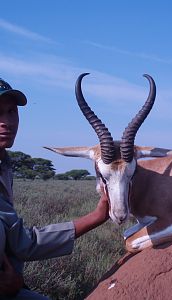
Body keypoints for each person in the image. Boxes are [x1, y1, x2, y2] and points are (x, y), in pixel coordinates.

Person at [0, 78, 109, 299]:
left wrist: (98, 215)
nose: (6, 122)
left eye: (11, 111)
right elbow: (23, 243)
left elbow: (18, 241)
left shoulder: (4, 164)